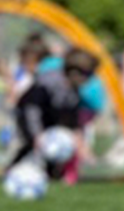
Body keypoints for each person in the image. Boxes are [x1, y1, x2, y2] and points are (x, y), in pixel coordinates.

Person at [9, 47, 99, 178]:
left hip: (50, 118)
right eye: (88, 75)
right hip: (30, 115)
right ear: (75, 72)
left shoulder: (74, 89)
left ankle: (52, 173)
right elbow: (32, 108)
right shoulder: (49, 81)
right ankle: (13, 169)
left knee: (53, 152)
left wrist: (79, 139)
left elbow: (71, 116)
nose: (90, 80)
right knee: (31, 145)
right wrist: (36, 134)